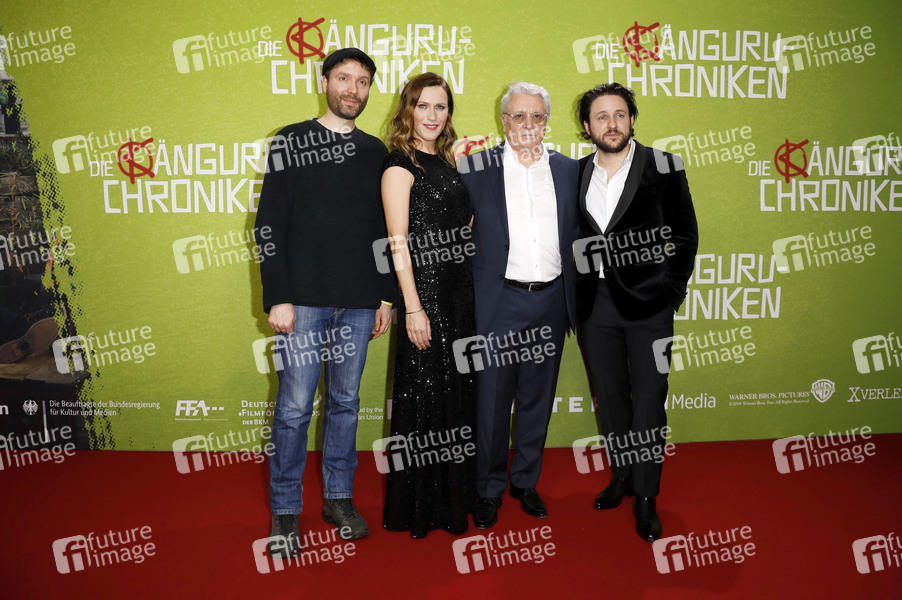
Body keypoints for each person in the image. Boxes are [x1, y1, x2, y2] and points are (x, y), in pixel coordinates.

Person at [254, 48, 395, 554]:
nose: (352, 89)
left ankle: (338, 499)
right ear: (324, 82)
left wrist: (385, 297)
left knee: (345, 404)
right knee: (294, 408)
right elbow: (269, 223)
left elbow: (382, 229)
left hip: (358, 302)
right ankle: (285, 509)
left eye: (362, 81)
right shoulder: (291, 139)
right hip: (303, 303)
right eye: (343, 78)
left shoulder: (376, 151)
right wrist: (279, 297)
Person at [574, 83, 698, 542]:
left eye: (620, 114)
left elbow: (685, 236)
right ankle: (622, 475)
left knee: (648, 401)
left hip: (649, 306)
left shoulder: (664, 166)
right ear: (587, 126)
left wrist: (670, 293)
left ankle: (646, 496)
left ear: (631, 120)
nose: (612, 124)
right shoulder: (577, 172)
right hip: (595, 305)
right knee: (611, 400)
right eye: (601, 116)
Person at [458, 82, 580, 529]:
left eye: (536, 116)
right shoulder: (473, 169)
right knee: (491, 402)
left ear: (547, 121)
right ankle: (488, 489)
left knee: (537, 398)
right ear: (503, 119)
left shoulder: (570, 171)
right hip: (498, 302)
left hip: (551, 301)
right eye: (518, 116)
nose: (527, 124)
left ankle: (525, 482)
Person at [380, 72, 477, 538]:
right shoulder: (399, 165)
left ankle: (455, 498)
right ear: (408, 110)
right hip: (428, 297)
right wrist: (413, 307)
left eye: (440, 106)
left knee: (453, 397)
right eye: (423, 106)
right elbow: (397, 242)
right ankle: (421, 507)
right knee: (425, 398)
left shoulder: (449, 162)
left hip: (460, 297)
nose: (432, 115)